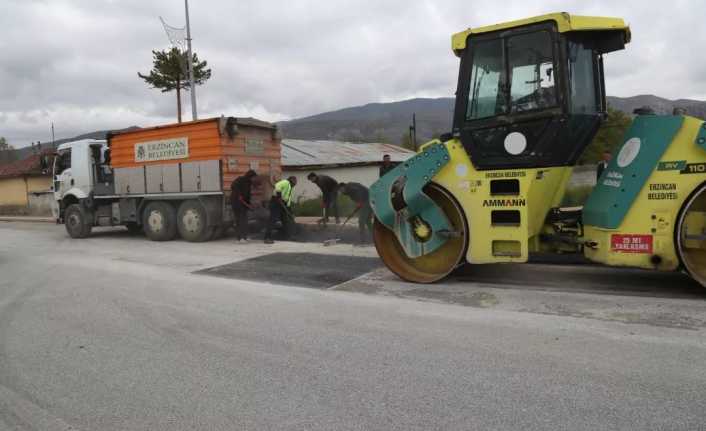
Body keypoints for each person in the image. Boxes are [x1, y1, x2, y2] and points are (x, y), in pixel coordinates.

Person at [264, 176, 297, 244]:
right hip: (276, 202)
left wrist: (291, 213)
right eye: (295, 181)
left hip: (282, 204)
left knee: (285, 220)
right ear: (291, 180)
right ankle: (267, 238)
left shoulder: (290, 188)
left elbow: (288, 202)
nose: (296, 183)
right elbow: (277, 186)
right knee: (272, 220)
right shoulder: (286, 182)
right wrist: (279, 196)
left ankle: (288, 236)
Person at [230, 170, 257, 242]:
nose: (254, 179)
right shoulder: (240, 179)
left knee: (245, 220)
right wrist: (239, 195)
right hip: (236, 202)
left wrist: (249, 205)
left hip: (243, 203)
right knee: (239, 220)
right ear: (250, 176)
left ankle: (245, 236)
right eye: (254, 177)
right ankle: (239, 238)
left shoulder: (249, 183)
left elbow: (248, 195)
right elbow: (233, 186)